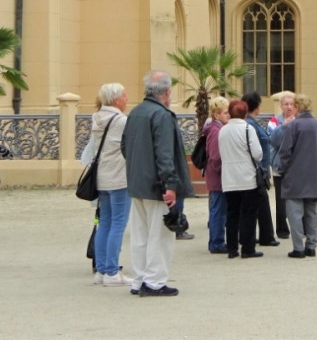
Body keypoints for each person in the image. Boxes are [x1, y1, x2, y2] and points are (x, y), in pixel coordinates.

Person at [120, 70, 193, 297]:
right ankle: (154, 282)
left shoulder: (136, 112)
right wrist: (169, 184)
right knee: (160, 235)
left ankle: (140, 279)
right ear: (167, 92)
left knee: (140, 235)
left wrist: (138, 169)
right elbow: (165, 153)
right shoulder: (162, 115)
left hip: (137, 182)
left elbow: (124, 147)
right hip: (157, 185)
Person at [91, 83, 131, 287]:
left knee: (104, 223)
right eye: (124, 96)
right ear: (116, 100)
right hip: (119, 176)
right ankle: (112, 272)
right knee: (118, 224)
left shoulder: (96, 117)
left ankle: (101, 270)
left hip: (102, 176)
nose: (126, 99)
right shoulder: (121, 120)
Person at [277, 94, 317, 259]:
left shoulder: (294, 125)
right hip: (313, 173)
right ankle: (311, 245)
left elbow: (285, 151)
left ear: (297, 106)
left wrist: (282, 169)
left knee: (295, 212)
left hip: (295, 174)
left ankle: (298, 247)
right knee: (312, 211)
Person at [218, 99, 263, 259]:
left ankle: (232, 248)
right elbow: (257, 153)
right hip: (246, 177)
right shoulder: (248, 129)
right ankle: (248, 248)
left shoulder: (223, 130)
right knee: (248, 213)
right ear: (245, 113)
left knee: (232, 213)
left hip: (229, 177)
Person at [242, 92, 279, 247]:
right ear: (257, 107)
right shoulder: (250, 124)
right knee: (261, 203)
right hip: (257, 170)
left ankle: (262, 235)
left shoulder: (251, 123)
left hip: (260, 169)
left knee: (257, 203)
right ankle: (266, 236)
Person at [203, 96, 230, 254]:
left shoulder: (215, 129)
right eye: (225, 112)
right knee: (218, 210)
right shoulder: (216, 131)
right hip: (217, 176)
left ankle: (216, 241)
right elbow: (215, 157)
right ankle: (217, 242)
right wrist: (223, 171)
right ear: (217, 114)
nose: (228, 115)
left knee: (218, 209)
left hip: (216, 175)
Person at [267, 90, 296, 240]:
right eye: (286, 104)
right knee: (281, 199)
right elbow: (273, 140)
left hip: (296, 166)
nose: (289, 107)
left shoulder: (299, 120)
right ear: (281, 106)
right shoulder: (275, 121)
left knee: (301, 197)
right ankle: (282, 229)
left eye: (291, 104)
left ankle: (305, 227)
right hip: (279, 165)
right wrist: (284, 126)